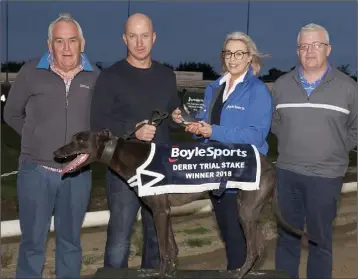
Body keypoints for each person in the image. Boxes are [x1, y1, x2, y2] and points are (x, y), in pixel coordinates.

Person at [3, 13, 100, 279]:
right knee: (33, 244)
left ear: (82, 43)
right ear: (50, 45)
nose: (66, 47)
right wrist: (34, 137)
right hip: (36, 171)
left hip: (78, 175)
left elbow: (101, 124)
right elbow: (11, 113)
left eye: (72, 40)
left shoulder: (95, 77)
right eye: (59, 41)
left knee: (70, 243)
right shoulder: (30, 72)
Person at [90, 13, 181, 269]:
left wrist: (179, 117)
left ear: (153, 38)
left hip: (159, 171)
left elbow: (173, 119)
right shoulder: (110, 76)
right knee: (119, 240)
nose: (139, 42)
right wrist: (133, 130)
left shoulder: (166, 75)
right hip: (123, 173)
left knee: (156, 237)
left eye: (144, 36)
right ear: (124, 39)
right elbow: (97, 124)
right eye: (133, 36)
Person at [271, 23, 357, 279]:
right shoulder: (282, 84)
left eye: (316, 45)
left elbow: (355, 129)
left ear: (328, 49)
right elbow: (276, 123)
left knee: (320, 242)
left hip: (326, 177)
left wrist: (336, 150)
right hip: (287, 174)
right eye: (304, 46)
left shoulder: (348, 87)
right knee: (287, 239)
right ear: (297, 51)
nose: (309, 51)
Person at [183, 31, 273, 270]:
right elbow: (203, 126)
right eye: (228, 53)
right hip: (215, 171)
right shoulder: (214, 87)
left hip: (242, 175)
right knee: (230, 236)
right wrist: (188, 122)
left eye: (239, 53)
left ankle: (240, 272)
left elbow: (256, 136)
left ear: (249, 57)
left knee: (239, 239)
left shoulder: (258, 91)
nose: (233, 58)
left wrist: (214, 131)